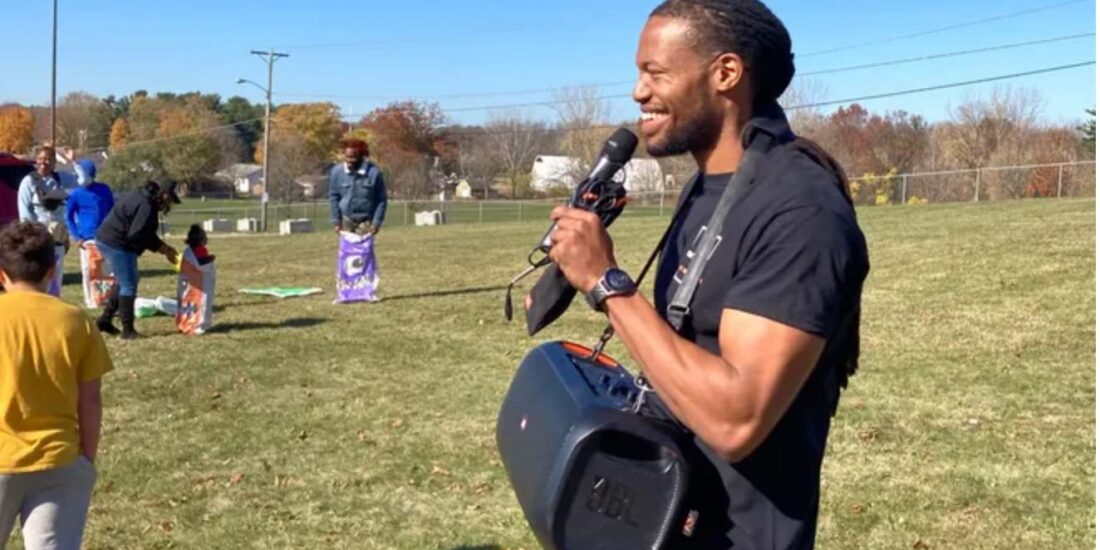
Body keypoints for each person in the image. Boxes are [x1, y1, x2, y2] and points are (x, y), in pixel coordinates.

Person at [543, 1, 869, 548]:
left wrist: (607, 283)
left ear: (725, 73)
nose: (638, 92)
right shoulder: (709, 188)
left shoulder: (799, 209)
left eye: (655, 72)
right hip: (666, 516)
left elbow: (735, 420)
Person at [0, 221, 112, 550]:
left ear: (1, 275)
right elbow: (91, 401)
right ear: (52, 270)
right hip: (60, 459)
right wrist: (86, 459)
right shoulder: (76, 321)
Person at [94, 180, 181, 339]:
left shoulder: (143, 195)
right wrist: (164, 249)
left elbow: (142, 231)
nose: (170, 204)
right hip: (116, 242)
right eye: (170, 200)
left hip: (108, 238)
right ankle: (128, 331)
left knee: (126, 280)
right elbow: (138, 234)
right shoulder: (146, 206)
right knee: (128, 285)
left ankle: (105, 320)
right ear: (164, 194)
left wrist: (164, 248)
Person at [328, 139, 387, 236]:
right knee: (347, 251)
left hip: (366, 221)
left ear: (362, 156)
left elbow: (381, 200)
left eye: (353, 157)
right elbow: (334, 197)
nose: (349, 161)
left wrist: (376, 223)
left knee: (364, 251)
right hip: (346, 220)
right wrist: (336, 221)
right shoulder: (337, 172)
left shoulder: (374, 173)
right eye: (347, 157)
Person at [64, 159, 114, 248]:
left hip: (105, 237)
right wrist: (77, 237)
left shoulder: (104, 189)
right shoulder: (75, 194)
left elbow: (113, 211)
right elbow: (69, 217)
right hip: (86, 239)